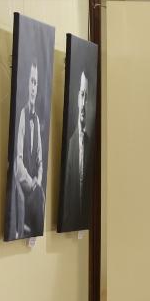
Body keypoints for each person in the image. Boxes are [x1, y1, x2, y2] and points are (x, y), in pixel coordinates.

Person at [8, 61, 46, 240]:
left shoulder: (36, 121)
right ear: (26, 83)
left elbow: (40, 160)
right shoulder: (22, 115)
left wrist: (39, 179)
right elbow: (18, 161)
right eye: (31, 81)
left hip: (34, 188)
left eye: (35, 83)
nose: (33, 87)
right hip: (23, 187)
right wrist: (31, 182)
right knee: (35, 197)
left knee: (40, 195)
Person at [60, 70, 90, 231]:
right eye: (82, 95)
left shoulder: (90, 145)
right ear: (78, 98)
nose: (84, 103)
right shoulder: (70, 145)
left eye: (87, 97)